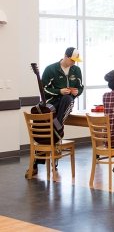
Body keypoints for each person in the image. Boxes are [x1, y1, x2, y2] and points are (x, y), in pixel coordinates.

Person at [25, 47, 85, 178]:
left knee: (68, 99)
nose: (74, 63)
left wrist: (77, 92)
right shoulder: (50, 69)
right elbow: (45, 90)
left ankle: (56, 126)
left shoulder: (76, 70)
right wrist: (59, 91)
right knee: (48, 127)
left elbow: (80, 87)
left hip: (66, 103)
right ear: (65, 56)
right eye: (72, 60)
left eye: (75, 61)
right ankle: (58, 128)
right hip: (52, 103)